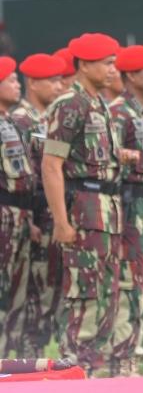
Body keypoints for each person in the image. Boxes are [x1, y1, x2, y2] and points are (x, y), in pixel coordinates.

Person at [41, 33, 125, 375]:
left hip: (106, 208)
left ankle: (96, 367)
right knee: (85, 291)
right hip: (83, 207)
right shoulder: (69, 104)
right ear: (85, 65)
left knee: (107, 291)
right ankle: (74, 367)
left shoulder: (99, 103)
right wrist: (61, 221)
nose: (112, 69)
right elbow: (51, 165)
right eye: (106, 63)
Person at [108, 45, 143, 376]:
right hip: (131, 206)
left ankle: (140, 352)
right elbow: (105, 155)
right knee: (131, 282)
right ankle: (124, 358)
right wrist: (124, 155)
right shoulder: (119, 112)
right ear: (131, 75)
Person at [12, 54, 67, 358]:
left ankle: (41, 352)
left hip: (50, 214)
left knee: (50, 290)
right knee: (33, 290)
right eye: (53, 80)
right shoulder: (22, 120)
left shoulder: (48, 120)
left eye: (61, 79)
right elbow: (23, 175)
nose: (59, 86)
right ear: (33, 83)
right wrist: (30, 219)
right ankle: (27, 354)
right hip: (34, 216)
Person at [0, 57, 37, 357]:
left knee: (17, 292)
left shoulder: (10, 122)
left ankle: (9, 357)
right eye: (10, 80)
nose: (17, 85)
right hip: (3, 214)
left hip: (19, 215)